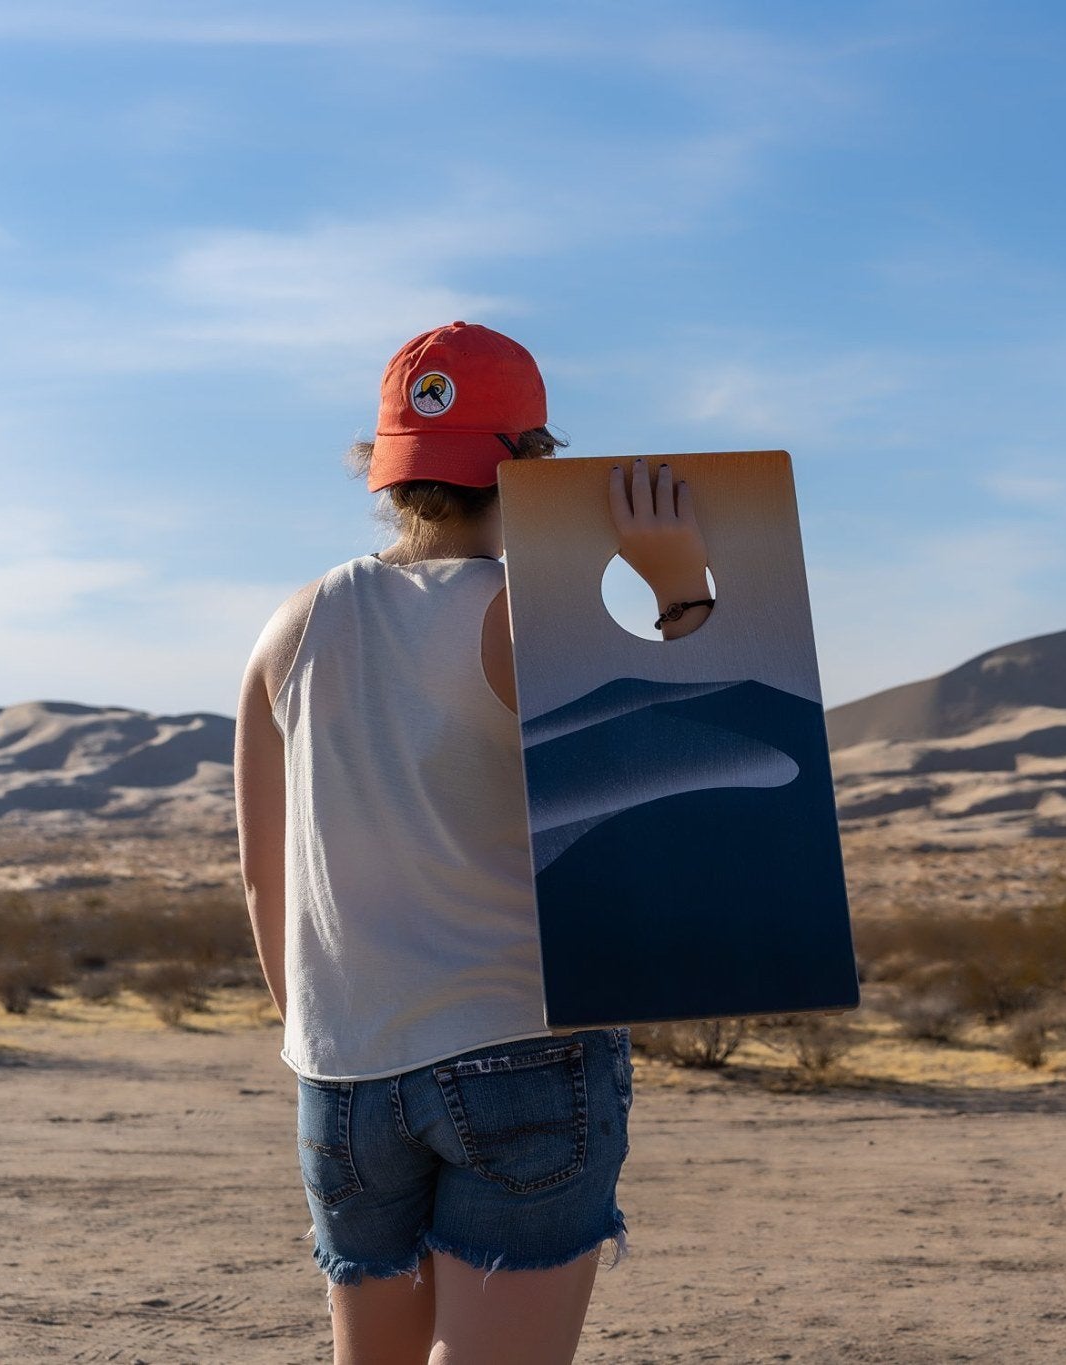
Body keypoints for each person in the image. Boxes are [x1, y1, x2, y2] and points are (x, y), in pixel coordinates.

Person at [233, 321, 712, 1364]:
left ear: (389, 470)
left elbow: (265, 879)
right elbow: (689, 811)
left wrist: (335, 1044)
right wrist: (681, 591)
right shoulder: (529, 616)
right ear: (532, 463)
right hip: (520, 1051)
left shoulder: (292, 624)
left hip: (341, 1069)